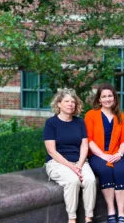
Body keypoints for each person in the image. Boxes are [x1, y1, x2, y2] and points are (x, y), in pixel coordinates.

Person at [43, 88, 97, 223]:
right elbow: (52, 151)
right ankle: (72, 219)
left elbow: (84, 145)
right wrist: (71, 167)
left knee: (90, 180)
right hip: (57, 163)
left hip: (79, 162)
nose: (70, 104)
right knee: (73, 181)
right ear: (59, 104)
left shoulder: (79, 122)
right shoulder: (51, 123)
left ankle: (89, 217)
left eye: (73, 102)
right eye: (66, 101)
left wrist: (79, 164)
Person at [84, 83, 124, 223]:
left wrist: (120, 154)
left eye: (110, 96)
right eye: (104, 96)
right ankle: (111, 211)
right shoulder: (91, 115)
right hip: (97, 155)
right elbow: (89, 139)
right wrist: (103, 155)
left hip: (116, 154)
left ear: (114, 98)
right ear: (99, 100)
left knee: (121, 170)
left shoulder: (121, 116)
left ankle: (121, 213)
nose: (107, 99)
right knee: (105, 170)